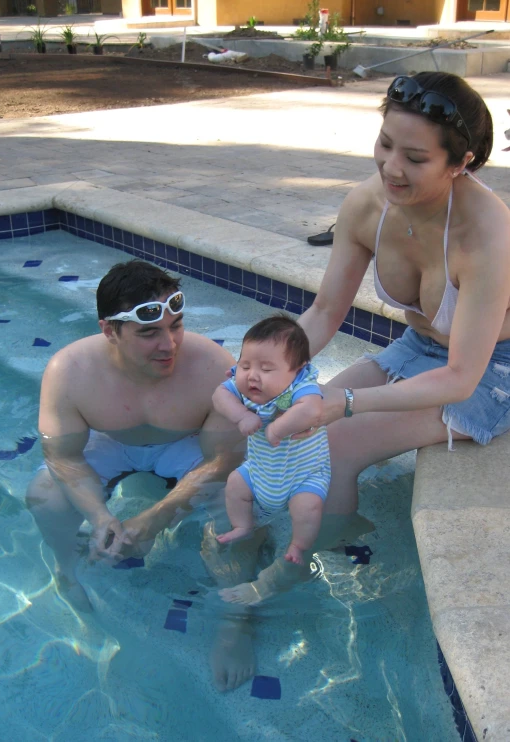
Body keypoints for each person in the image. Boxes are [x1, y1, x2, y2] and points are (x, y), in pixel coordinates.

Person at [211, 71, 510, 607]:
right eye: (386, 144)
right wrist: (258, 369)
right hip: (418, 348)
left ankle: (316, 580)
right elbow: (325, 312)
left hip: (491, 371)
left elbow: (462, 378)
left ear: (461, 164)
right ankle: (276, 534)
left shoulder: (487, 234)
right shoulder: (367, 206)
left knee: (335, 445)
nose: (392, 167)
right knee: (281, 425)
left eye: (416, 159)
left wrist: (344, 402)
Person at [26, 259, 258, 691]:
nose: (169, 344)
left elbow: (224, 459)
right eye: (149, 332)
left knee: (237, 499)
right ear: (109, 330)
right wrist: (99, 517)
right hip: (111, 441)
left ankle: (236, 618)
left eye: (177, 326)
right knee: (44, 495)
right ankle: (67, 569)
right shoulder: (69, 371)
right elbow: (62, 457)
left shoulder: (212, 366)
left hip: (186, 445)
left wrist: (158, 516)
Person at [213, 316, 330, 567]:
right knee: (235, 484)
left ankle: (299, 545)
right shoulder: (242, 385)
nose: (252, 376)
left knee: (308, 508)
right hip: (259, 470)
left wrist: (278, 429)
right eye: (245, 366)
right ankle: (243, 526)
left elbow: (312, 410)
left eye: (266, 369)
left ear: (297, 369)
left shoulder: (301, 385)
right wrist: (241, 415)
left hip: (304, 475)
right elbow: (219, 394)